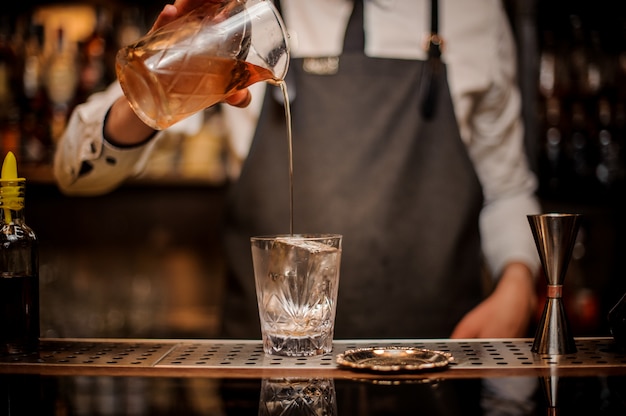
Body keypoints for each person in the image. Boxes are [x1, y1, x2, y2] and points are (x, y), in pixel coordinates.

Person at [54, 0, 541, 341]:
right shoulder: (239, 14)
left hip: (436, 363)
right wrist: (162, 75)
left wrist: (518, 283)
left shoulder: (474, 11)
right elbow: (74, 169)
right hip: (269, 376)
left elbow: (508, 189)